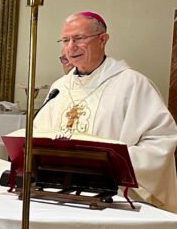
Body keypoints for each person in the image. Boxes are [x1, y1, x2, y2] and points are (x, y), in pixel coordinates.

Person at [35, 11, 177, 211]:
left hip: (113, 196)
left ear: (103, 39)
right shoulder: (60, 87)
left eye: (79, 38)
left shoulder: (132, 84)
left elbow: (161, 139)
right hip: (58, 192)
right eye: (65, 40)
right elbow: (40, 137)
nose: (71, 47)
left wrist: (114, 163)